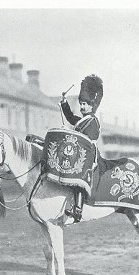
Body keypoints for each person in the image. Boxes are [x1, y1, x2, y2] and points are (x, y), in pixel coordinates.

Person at [60, 74, 103, 222]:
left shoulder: (93, 121)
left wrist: (70, 132)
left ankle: (78, 210)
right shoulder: (83, 119)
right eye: (81, 103)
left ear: (92, 105)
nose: (82, 107)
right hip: (81, 153)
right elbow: (71, 118)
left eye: (85, 104)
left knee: (79, 175)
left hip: (90, 155)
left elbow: (87, 141)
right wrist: (64, 103)